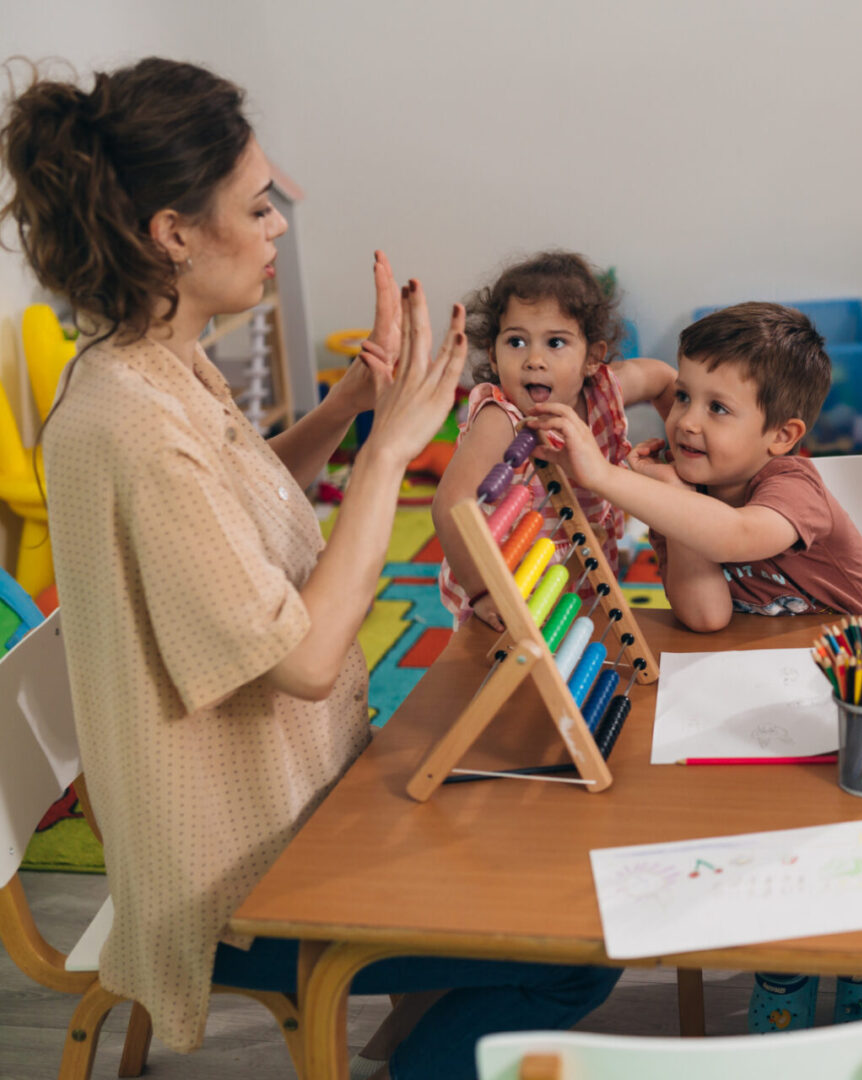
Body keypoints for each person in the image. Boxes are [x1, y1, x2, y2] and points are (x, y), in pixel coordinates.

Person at [1, 57, 619, 1080]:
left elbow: (234, 509)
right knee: (570, 947)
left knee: (534, 823)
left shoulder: (145, 368)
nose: (281, 220)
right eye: (257, 202)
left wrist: (344, 411)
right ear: (173, 235)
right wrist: (387, 454)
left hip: (299, 801)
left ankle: (418, 1038)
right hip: (235, 884)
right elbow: (310, 659)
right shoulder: (131, 426)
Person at [530, 301, 862, 1030]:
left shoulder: (794, 485)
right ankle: (784, 964)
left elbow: (735, 535)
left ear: (782, 436)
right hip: (761, 688)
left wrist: (607, 477)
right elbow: (705, 616)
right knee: (753, 825)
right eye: (688, 400)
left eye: (718, 408)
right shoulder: (687, 482)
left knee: (845, 832)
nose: (688, 422)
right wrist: (671, 496)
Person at [421, 251, 675, 629]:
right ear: (493, 353)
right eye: (517, 342)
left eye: (555, 343)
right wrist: (483, 592)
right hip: (512, 590)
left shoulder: (604, 388)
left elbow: (663, 378)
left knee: (585, 649)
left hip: (584, 569)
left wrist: (683, 456)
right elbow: (450, 506)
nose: (534, 359)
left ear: (592, 358)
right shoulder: (501, 419)